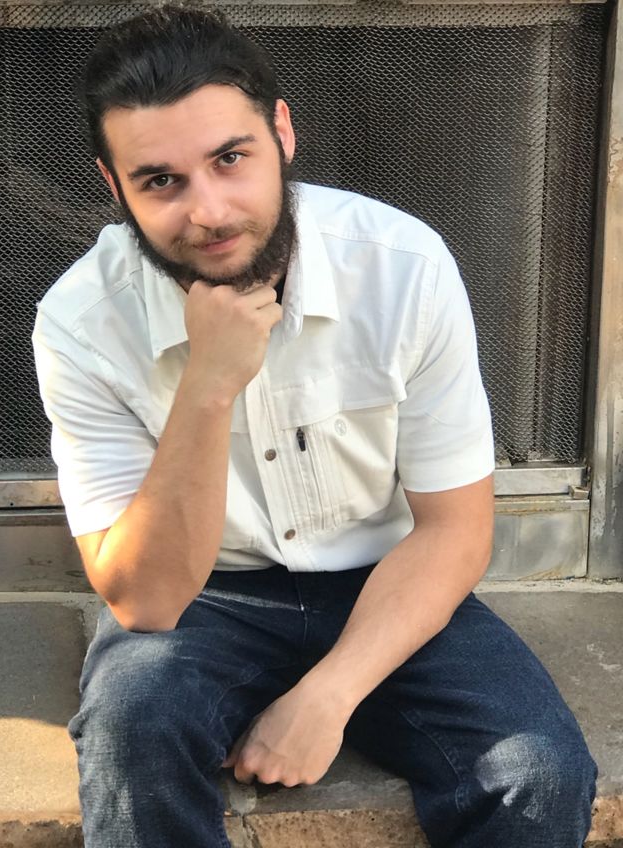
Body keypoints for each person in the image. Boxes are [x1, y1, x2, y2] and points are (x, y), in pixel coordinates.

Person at [32, 6, 596, 847]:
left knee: (539, 774)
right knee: (131, 740)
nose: (209, 210)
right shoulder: (80, 323)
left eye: (230, 158)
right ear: (115, 189)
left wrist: (326, 698)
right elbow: (145, 600)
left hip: (386, 577)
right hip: (204, 596)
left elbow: (454, 531)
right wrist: (207, 387)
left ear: (283, 134)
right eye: (161, 182)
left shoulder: (403, 268)